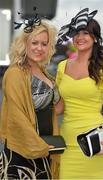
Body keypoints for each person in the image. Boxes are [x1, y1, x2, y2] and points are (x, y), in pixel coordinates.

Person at [55, 8, 103, 179]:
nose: (80, 37)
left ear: (95, 38)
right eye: (77, 33)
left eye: (85, 33)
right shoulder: (62, 67)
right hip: (66, 143)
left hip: (95, 144)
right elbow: (59, 107)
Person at [0, 17, 61, 179]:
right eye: (35, 43)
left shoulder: (44, 72)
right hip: (24, 150)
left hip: (46, 147)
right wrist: (39, 146)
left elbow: (56, 109)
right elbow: (17, 116)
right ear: (24, 44)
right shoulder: (15, 73)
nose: (39, 48)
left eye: (44, 43)